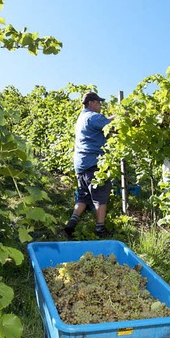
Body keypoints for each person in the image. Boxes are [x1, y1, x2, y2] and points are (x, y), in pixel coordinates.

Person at [64, 91, 115, 238]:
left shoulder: (82, 118)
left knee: (83, 197)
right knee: (100, 197)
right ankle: (100, 230)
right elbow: (110, 125)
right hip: (94, 163)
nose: (100, 105)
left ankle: (71, 224)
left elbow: (104, 122)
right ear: (91, 103)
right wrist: (122, 117)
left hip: (81, 165)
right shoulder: (93, 117)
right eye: (98, 102)